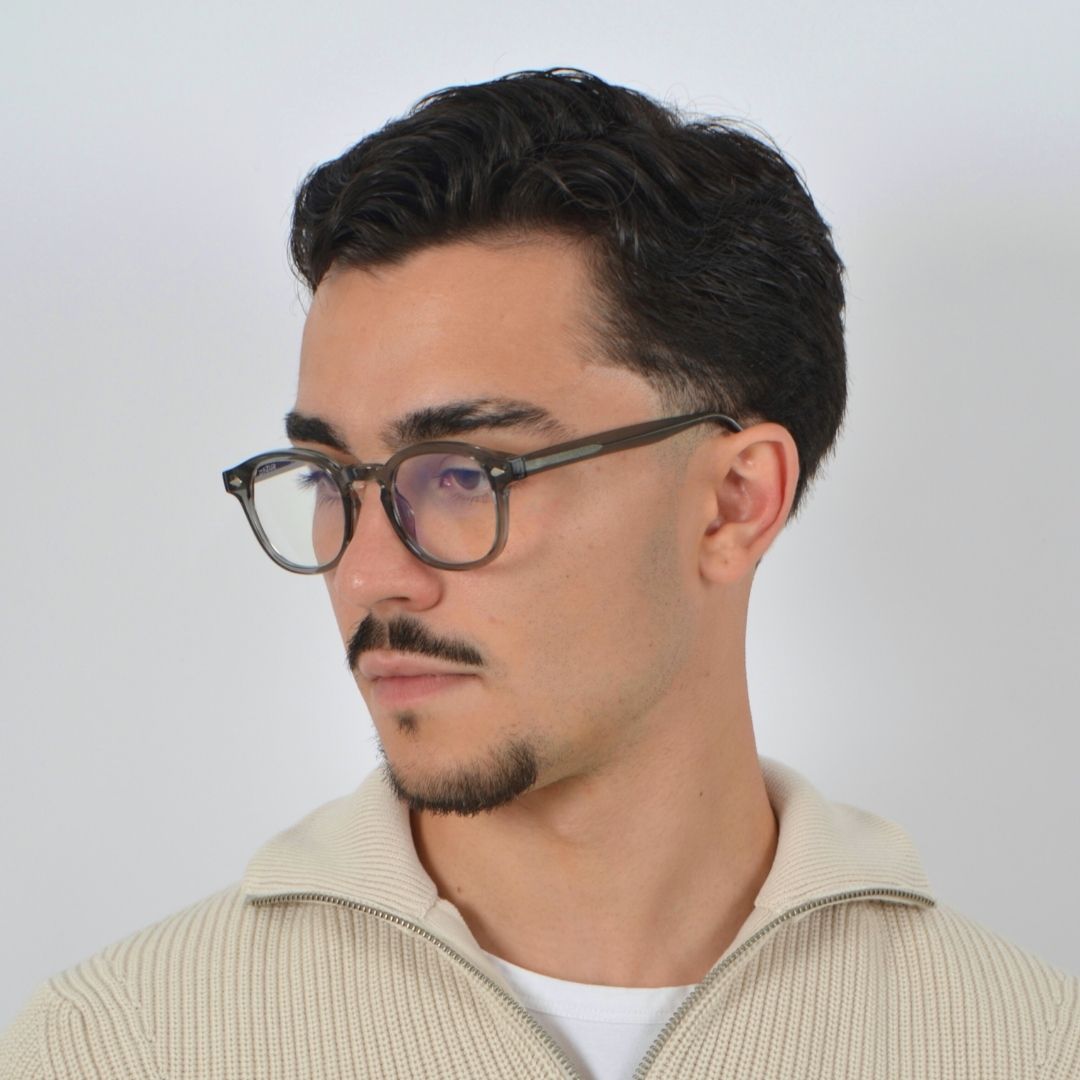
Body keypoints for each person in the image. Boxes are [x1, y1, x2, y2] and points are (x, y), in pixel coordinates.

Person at [2, 68, 1077, 1080]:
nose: (369, 575)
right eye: (331, 476)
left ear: (734, 501)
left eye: (461, 474)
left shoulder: (1020, 1047)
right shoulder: (122, 1046)